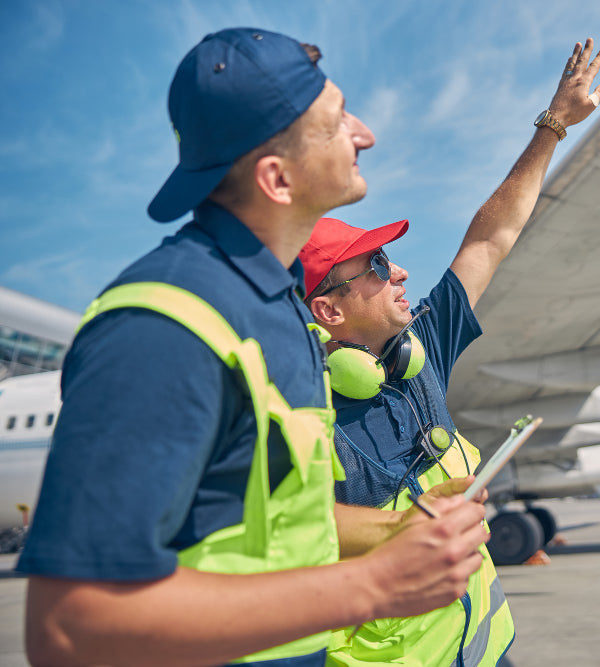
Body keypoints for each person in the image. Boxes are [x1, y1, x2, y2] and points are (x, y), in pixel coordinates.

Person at [17, 28, 489, 666]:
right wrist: (373, 585)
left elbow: (268, 527)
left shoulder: (279, 316)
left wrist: (399, 526)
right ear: (277, 178)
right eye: (335, 121)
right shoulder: (164, 325)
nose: (365, 132)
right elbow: (72, 627)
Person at [299, 38, 600, 666]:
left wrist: (553, 127)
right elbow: (293, 540)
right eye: (378, 265)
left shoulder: (418, 351)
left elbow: (490, 239)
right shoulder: (301, 409)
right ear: (328, 310)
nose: (400, 273)